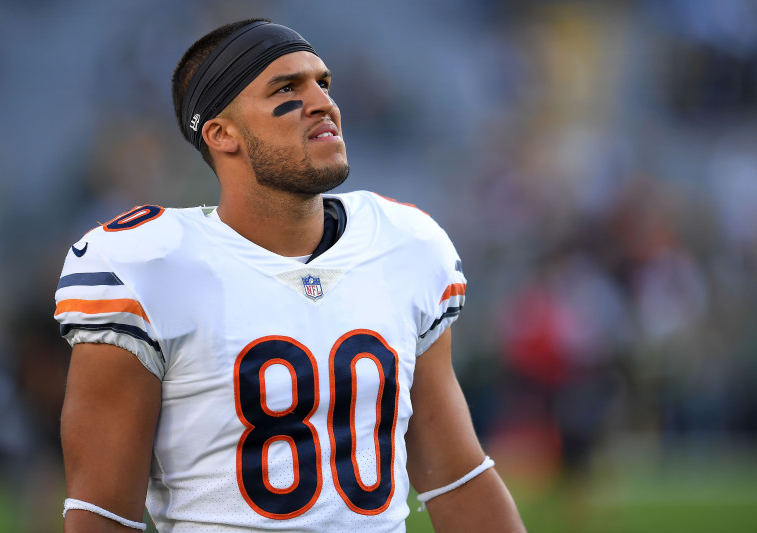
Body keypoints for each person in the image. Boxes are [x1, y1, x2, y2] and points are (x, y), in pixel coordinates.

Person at [55, 18, 526, 532]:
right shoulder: (148, 267)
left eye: (322, 83)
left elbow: (457, 477)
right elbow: (101, 515)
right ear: (221, 134)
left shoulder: (405, 245)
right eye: (287, 88)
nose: (323, 102)